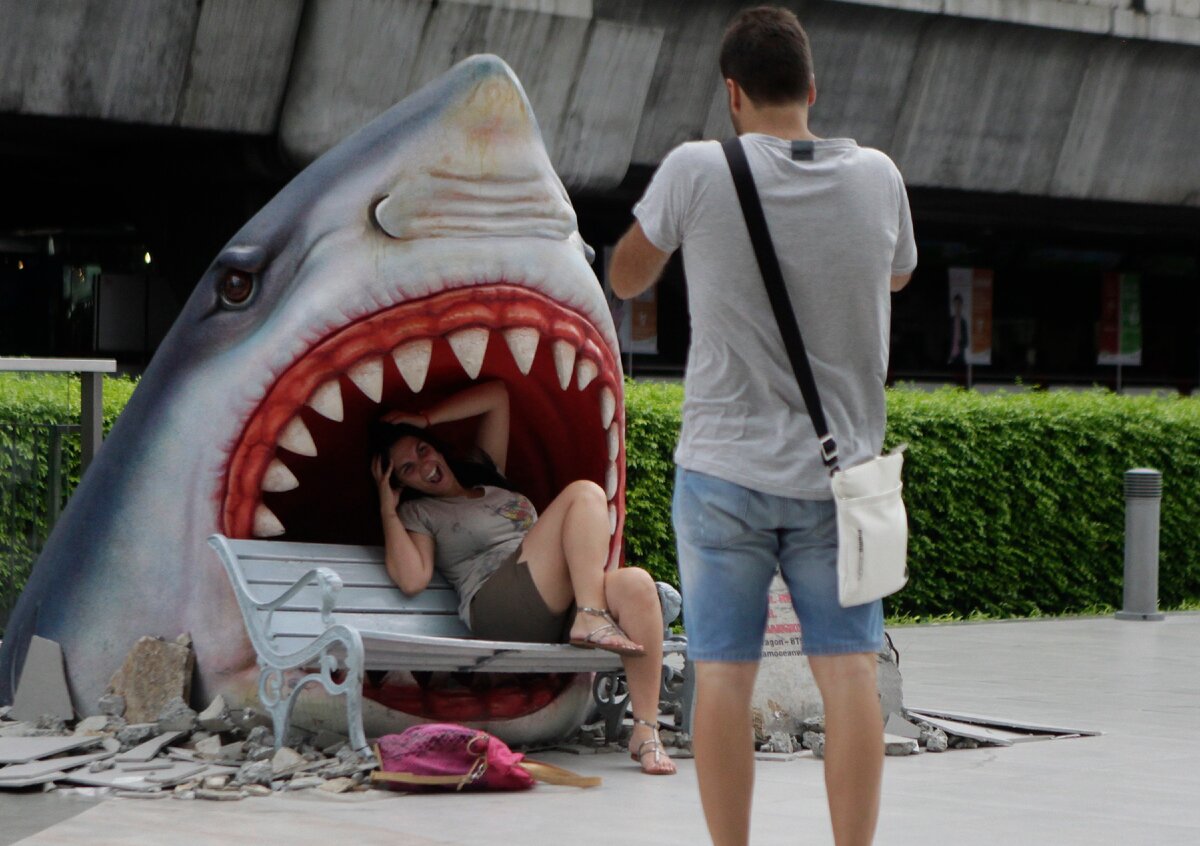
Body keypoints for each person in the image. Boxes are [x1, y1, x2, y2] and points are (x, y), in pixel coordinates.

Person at [610, 6, 915, 844]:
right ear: (811, 90)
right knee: (849, 671)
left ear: (732, 94)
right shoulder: (879, 176)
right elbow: (895, 278)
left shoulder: (698, 169)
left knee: (723, 681)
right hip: (837, 477)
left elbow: (628, 276)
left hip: (723, 476)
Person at [370, 379, 676, 775]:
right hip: (499, 607)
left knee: (637, 584)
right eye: (408, 468)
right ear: (401, 483)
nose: (425, 466)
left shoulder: (487, 476)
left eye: (423, 450)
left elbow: (498, 395)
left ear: (437, 445)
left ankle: (646, 734)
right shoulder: (420, 513)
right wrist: (386, 506)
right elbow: (411, 579)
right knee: (585, 493)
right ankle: (590, 614)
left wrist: (423, 418)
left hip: (552, 600)